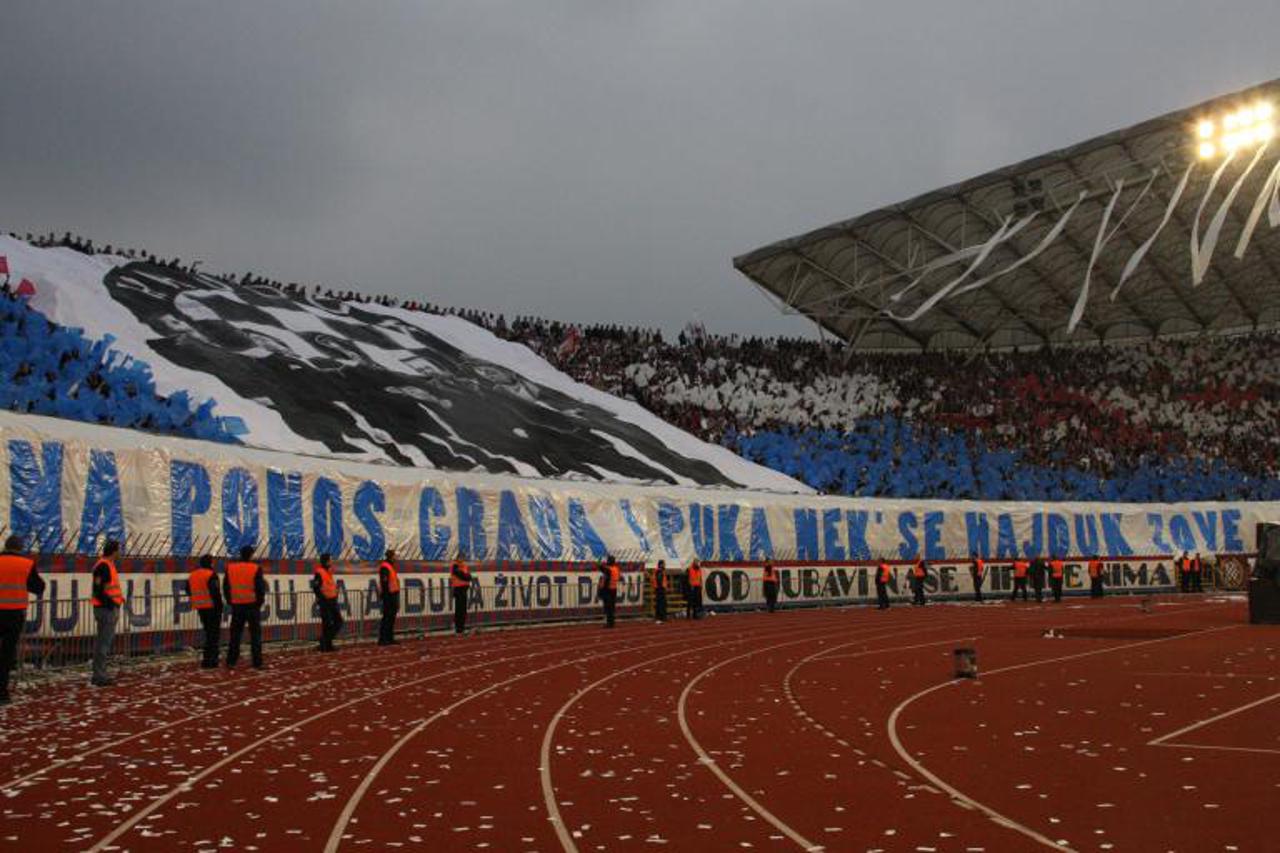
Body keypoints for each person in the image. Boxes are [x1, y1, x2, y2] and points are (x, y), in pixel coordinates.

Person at [0, 535, 46, 704]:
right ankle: (2, 693)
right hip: (14, 614)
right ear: (20, 548)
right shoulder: (26, 564)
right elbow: (39, 587)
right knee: (6, 654)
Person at [224, 546, 267, 669]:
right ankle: (257, 662)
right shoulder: (255, 568)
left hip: (237, 606)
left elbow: (226, 587)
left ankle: (231, 661)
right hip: (252, 606)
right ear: (251, 555)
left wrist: (231, 601)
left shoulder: (231, 568)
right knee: (255, 635)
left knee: (235, 635)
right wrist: (259, 603)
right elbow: (260, 588)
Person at [90, 539, 125, 686]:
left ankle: (99, 674)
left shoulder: (107, 565)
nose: (121, 552)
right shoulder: (104, 566)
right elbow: (99, 589)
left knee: (103, 643)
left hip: (107, 608)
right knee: (103, 644)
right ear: (114, 551)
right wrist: (111, 604)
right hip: (106, 609)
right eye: (119, 549)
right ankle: (99, 675)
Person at [187, 554, 223, 667]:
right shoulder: (211, 574)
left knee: (208, 632)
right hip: (212, 607)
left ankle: (208, 658)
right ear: (210, 563)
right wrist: (220, 605)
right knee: (213, 634)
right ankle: (211, 659)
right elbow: (215, 592)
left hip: (200, 606)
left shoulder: (193, 575)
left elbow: (188, 589)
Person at [311, 553, 343, 652]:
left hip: (332, 601)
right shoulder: (319, 572)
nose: (331, 562)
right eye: (330, 560)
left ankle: (325, 642)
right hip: (325, 602)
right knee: (327, 624)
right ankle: (327, 645)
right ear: (326, 561)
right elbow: (315, 587)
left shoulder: (328, 571)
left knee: (338, 621)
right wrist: (322, 598)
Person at [378, 549, 401, 645]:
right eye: (395, 555)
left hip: (393, 594)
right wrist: (386, 596)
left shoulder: (390, 566)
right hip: (389, 596)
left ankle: (389, 637)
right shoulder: (385, 567)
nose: (396, 557)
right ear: (391, 556)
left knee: (391, 618)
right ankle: (383, 638)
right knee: (387, 618)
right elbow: (384, 582)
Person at [450, 557, 473, 634]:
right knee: (459, 610)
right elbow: (463, 576)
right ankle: (458, 628)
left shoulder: (464, 566)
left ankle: (461, 628)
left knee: (463, 610)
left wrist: (466, 576)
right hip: (458, 590)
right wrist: (466, 576)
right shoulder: (455, 566)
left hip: (464, 590)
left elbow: (469, 577)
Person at [598, 555, 621, 628]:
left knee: (608, 607)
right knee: (612, 607)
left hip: (608, 590)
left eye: (608, 560)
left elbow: (601, 568)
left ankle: (609, 623)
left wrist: (599, 562)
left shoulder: (609, 569)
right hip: (613, 589)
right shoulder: (616, 569)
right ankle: (611, 622)